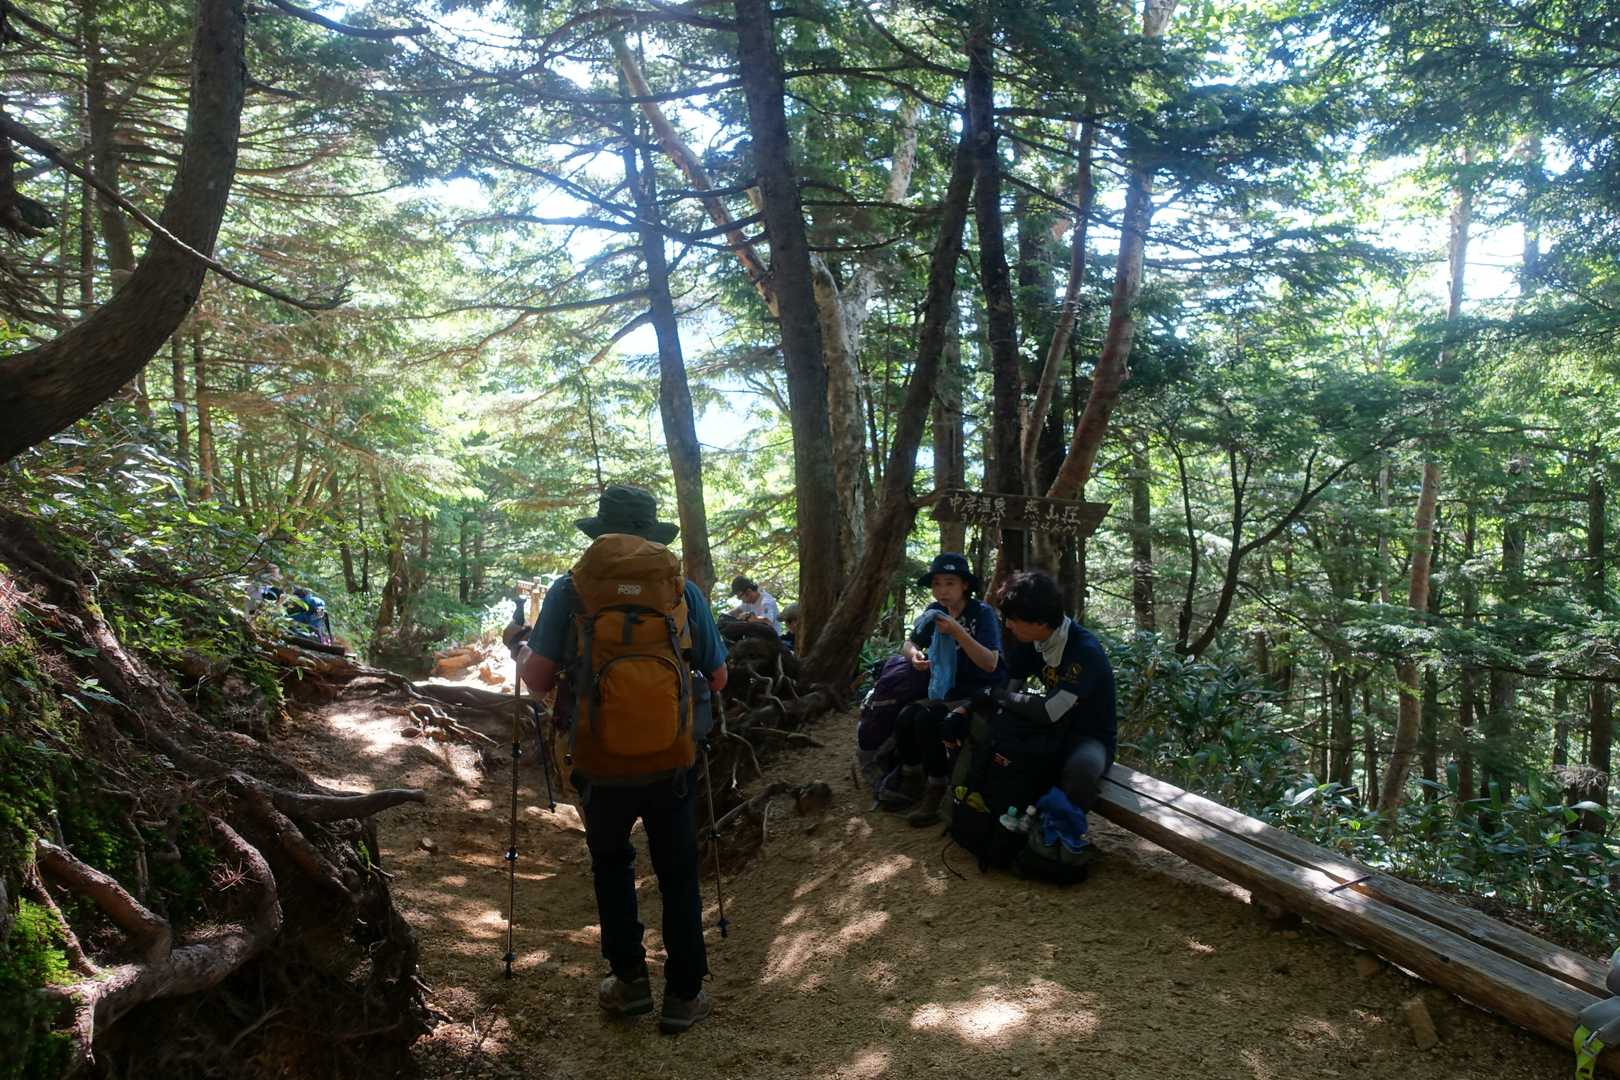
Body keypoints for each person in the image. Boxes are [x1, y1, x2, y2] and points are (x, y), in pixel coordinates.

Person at [519, 484, 728, 1035]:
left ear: (601, 531)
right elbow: (718, 676)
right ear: (651, 533)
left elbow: (537, 679)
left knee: (612, 866)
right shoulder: (682, 590)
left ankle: (630, 982)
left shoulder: (571, 588)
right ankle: (684, 993)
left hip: (599, 758)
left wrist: (527, 652)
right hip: (671, 757)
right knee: (678, 872)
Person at [880, 553, 1007, 825]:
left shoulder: (981, 614)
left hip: (981, 693)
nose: (942, 591)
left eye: (950, 583)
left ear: (965, 585)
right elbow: (909, 643)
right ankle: (912, 779)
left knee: (928, 720)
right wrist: (914, 655)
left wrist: (958, 632)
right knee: (905, 718)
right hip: (947, 690)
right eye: (937, 584)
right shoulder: (934, 611)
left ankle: (937, 788)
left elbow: (990, 663)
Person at [992, 569, 1117, 812]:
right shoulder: (1032, 641)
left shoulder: (1084, 651)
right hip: (1053, 730)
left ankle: (1062, 829)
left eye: (1013, 619)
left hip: (1090, 737)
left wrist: (996, 696)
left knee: (1080, 773)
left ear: (1040, 622)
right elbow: (1010, 686)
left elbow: (1049, 710)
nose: (1007, 625)